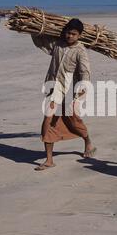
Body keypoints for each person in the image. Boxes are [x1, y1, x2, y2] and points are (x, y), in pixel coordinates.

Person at [31, 19, 97, 171]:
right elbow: (42, 43)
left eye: (73, 34)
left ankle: (87, 140)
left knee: (73, 121)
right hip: (53, 89)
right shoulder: (58, 45)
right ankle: (49, 160)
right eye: (68, 33)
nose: (70, 36)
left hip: (69, 92)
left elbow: (85, 71)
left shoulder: (80, 51)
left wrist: (82, 88)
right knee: (48, 120)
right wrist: (33, 31)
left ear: (79, 35)